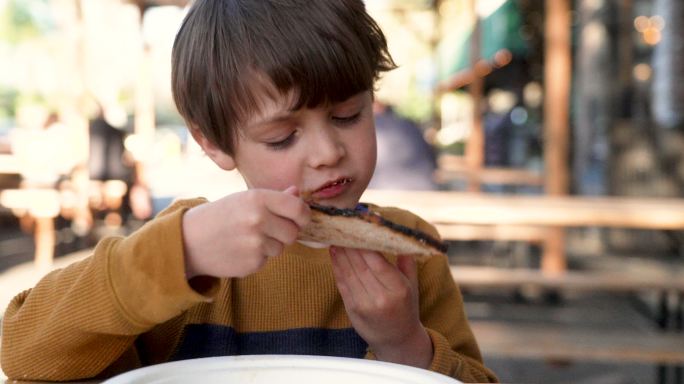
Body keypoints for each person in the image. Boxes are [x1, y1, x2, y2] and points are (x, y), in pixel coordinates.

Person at [1, 1, 497, 382]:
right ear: (213, 143)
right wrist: (184, 252)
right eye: (282, 136)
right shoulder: (186, 255)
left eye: (348, 115)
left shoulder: (411, 251)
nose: (327, 151)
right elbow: (25, 353)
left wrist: (405, 344)